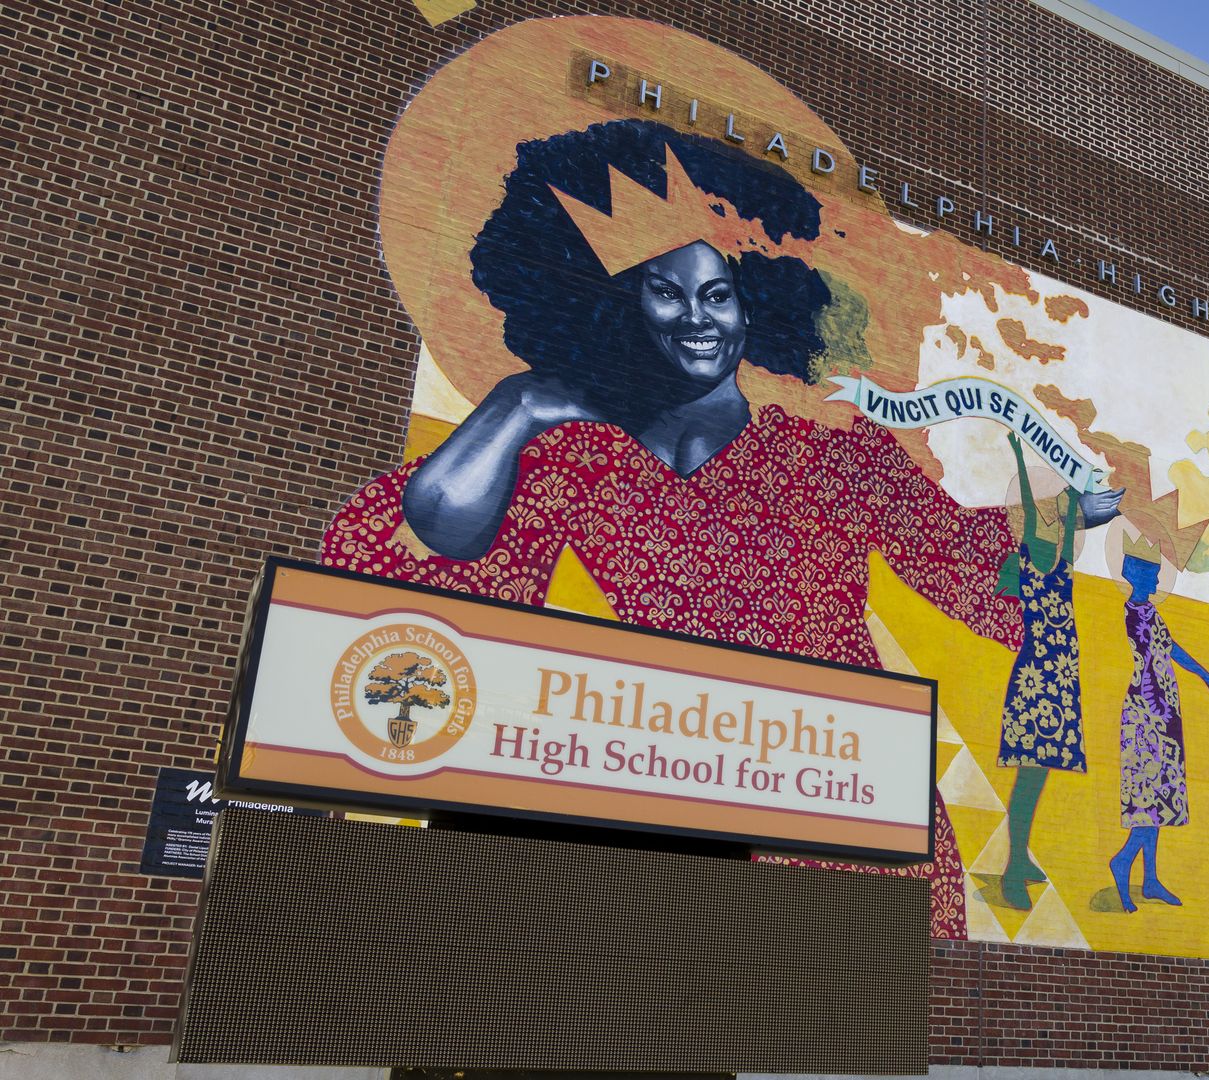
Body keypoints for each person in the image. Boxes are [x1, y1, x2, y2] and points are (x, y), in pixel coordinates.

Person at [322, 119, 1123, 936]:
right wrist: (518, 403)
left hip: (843, 804)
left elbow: (971, 569)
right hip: (668, 787)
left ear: (756, 306)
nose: (696, 319)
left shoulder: (831, 455)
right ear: (618, 302)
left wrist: (1064, 515)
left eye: (718, 294)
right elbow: (439, 537)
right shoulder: (584, 456)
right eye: (664, 291)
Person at [1108, 543, 1209, 913]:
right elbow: (1146, 664)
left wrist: (1208, 677)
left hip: (1161, 712)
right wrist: (1158, 708)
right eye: (1151, 572)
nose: (1158, 578)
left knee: (1158, 798)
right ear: (1134, 574)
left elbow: (1171, 649)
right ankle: (1123, 861)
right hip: (1148, 715)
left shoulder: (1150, 612)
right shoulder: (1134, 614)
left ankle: (1149, 879)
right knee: (1149, 799)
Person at [992, 436, 1087, 911]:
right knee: (1030, 773)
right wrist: (1016, 454)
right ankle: (1012, 868)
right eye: (1044, 523)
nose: (1050, 525)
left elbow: (1066, 523)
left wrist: (1070, 502)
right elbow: (1031, 507)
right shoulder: (1028, 559)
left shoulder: (1064, 561)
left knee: (1041, 772)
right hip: (1036, 681)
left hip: (1062, 682)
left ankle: (1021, 858)